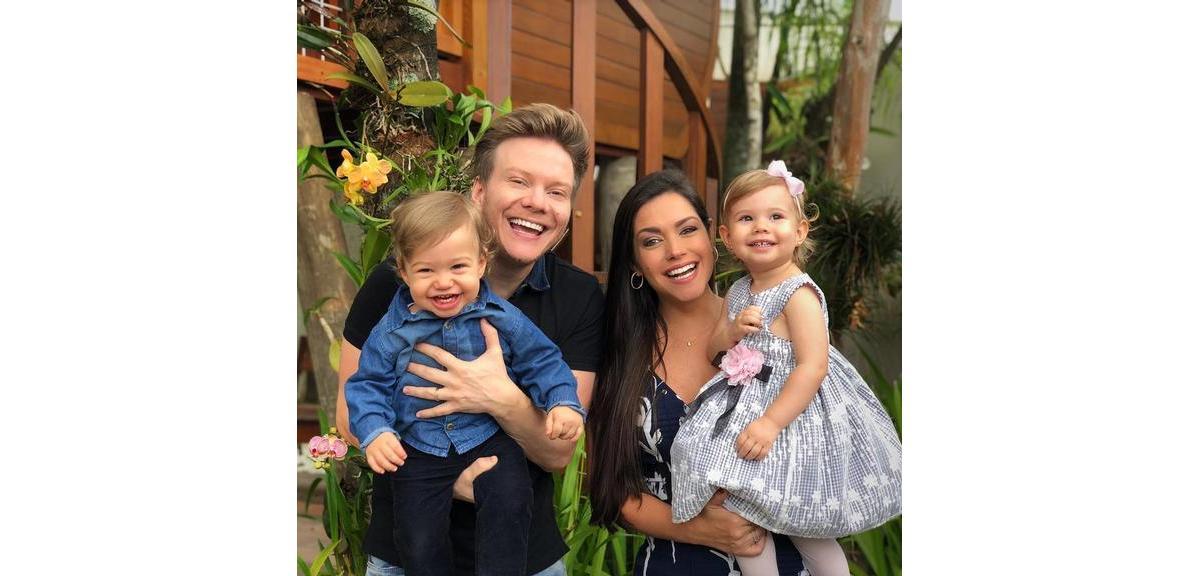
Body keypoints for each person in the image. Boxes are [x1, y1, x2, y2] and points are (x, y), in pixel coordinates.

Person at [336, 103, 605, 576]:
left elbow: (558, 451)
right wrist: (440, 476)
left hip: (525, 558)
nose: (537, 202)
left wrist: (497, 396)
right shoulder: (395, 289)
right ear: (479, 191)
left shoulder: (578, 297)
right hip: (405, 550)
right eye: (519, 181)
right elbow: (350, 413)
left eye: (556, 191)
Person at [670, 161, 902, 576]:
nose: (761, 227)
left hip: (794, 421)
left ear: (799, 231)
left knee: (805, 526)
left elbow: (813, 367)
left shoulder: (799, 294)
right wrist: (731, 332)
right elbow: (715, 351)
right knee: (740, 511)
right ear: (726, 236)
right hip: (746, 416)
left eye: (775, 216)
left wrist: (771, 423)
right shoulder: (738, 291)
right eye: (746, 219)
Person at [587, 169, 808, 574]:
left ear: (711, 235)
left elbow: (822, 438)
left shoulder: (773, 328)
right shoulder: (619, 352)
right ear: (635, 262)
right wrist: (699, 530)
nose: (675, 250)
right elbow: (613, 488)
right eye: (652, 241)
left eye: (687, 230)